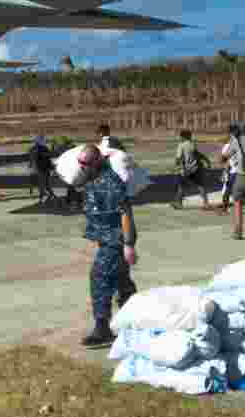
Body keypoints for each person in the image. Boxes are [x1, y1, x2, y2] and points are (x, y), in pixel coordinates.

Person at [76, 144, 138, 347]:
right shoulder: (93, 178)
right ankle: (135, 321)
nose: (82, 167)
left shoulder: (111, 181)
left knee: (99, 277)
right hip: (107, 240)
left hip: (116, 242)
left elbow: (125, 213)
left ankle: (102, 328)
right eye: (81, 164)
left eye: (85, 164)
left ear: (96, 162)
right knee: (122, 283)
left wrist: (128, 245)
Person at [173, 129, 211, 210]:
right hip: (195, 168)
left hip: (185, 169)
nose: (179, 138)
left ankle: (179, 203)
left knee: (181, 186)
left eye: (180, 136)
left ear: (183, 137)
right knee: (200, 186)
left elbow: (179, 158)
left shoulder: (181, 145)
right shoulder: (192, 144)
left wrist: (177, 165)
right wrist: (207, 160)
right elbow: (198, 154)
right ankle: (206, 203)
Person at [29, 136, 54, 204]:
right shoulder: (37, 149)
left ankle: (49, 195)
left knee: (44, 184)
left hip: (43, 168)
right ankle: (45, 196)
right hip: (41, 169)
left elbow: (48, 158)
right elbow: (33, 158)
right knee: (44, 184)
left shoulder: (38, 148)